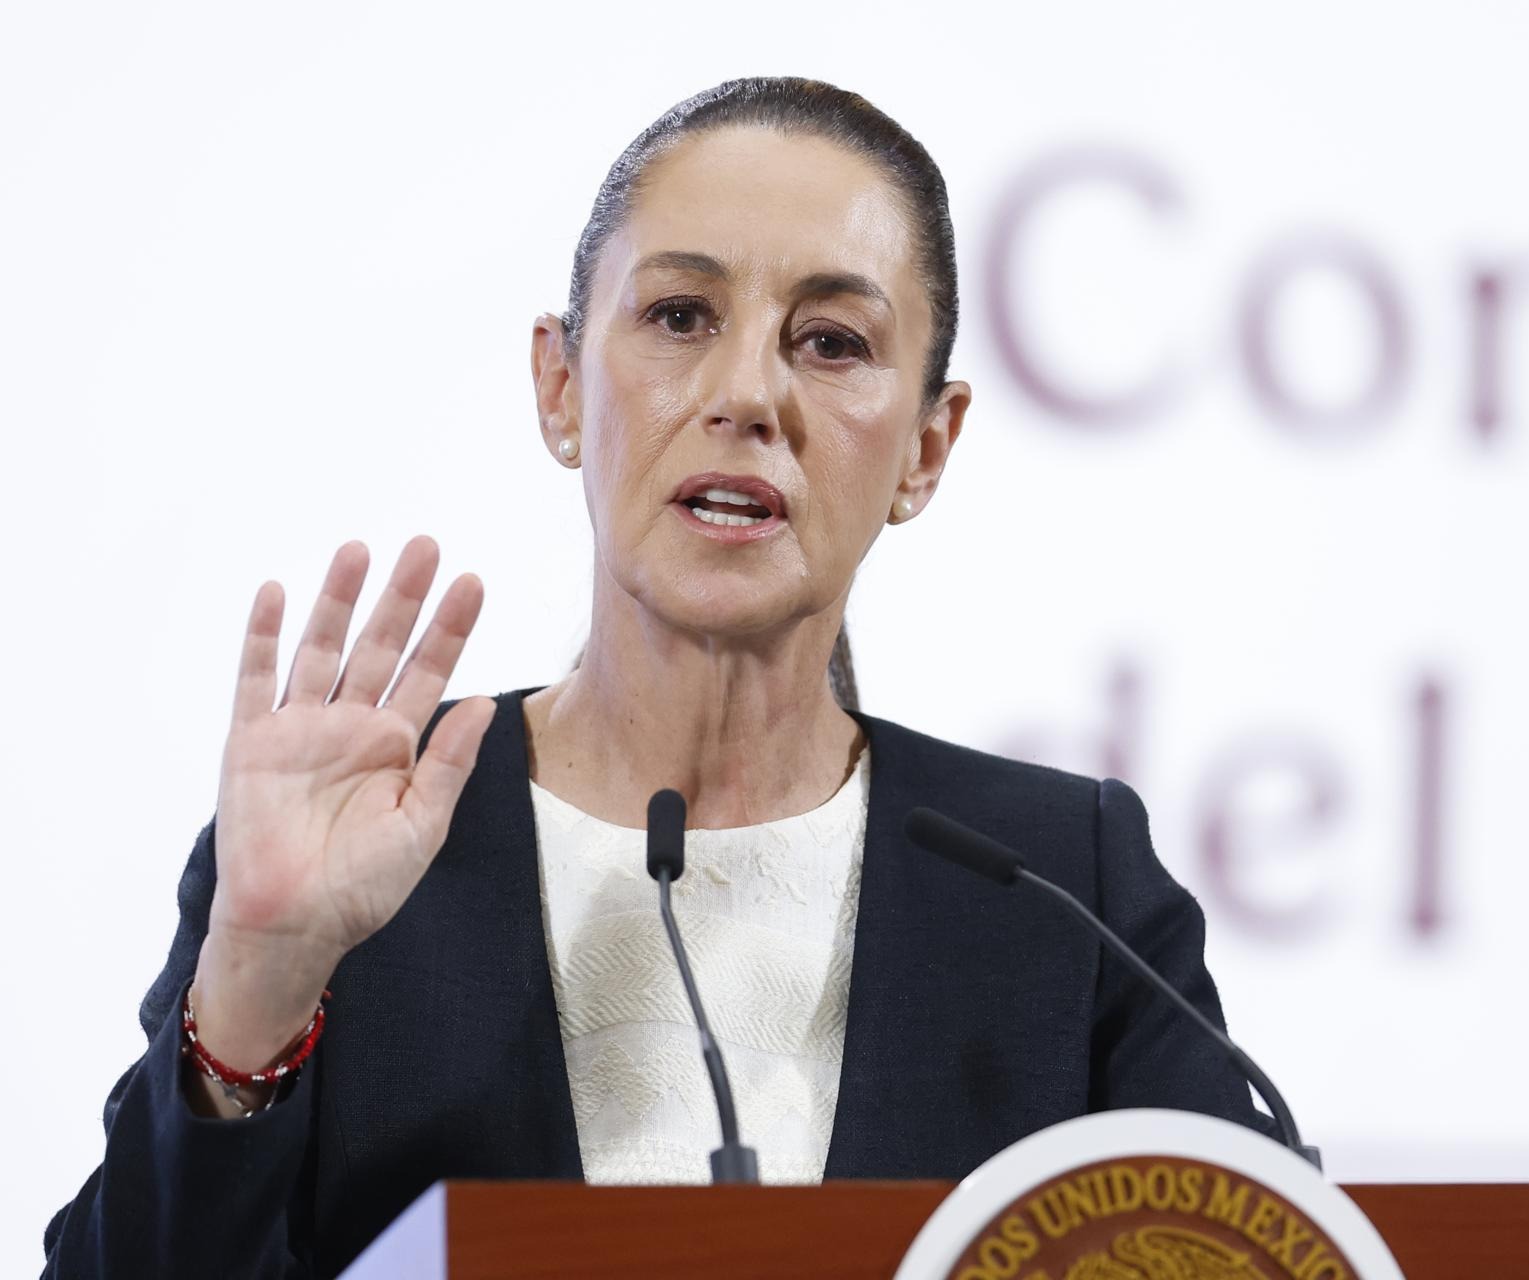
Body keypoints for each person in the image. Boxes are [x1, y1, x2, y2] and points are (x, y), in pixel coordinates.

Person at [40, 78, 1276, 1279]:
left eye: (831, 342)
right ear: (561, 385)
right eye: (681, 317)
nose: (746, 394)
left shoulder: (1063, 887)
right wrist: (251, 1001)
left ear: (926, 447)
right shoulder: (360, 834)